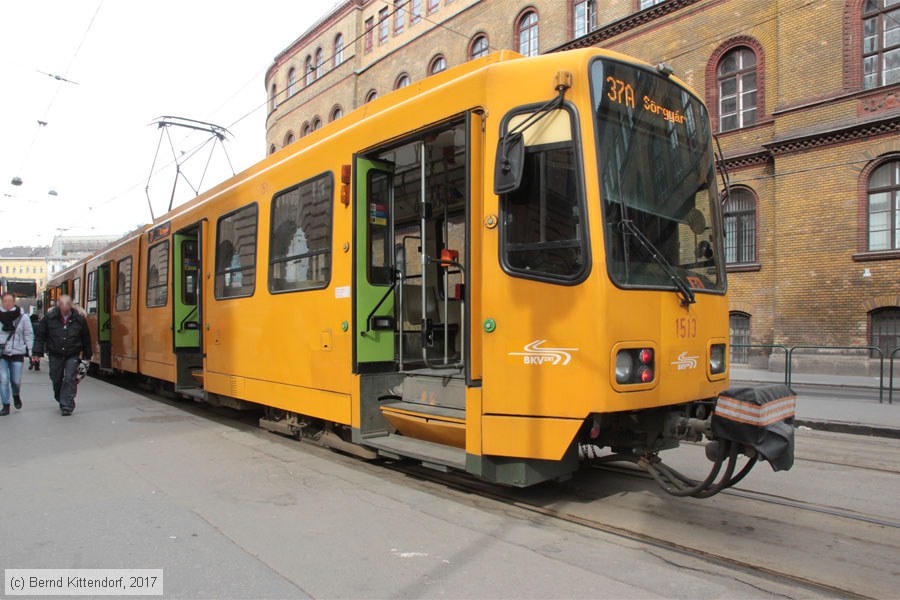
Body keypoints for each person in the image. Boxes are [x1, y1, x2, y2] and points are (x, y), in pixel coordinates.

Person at [31, 295, 92, 416]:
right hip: (55, 354)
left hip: (72, 354)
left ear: (71, 305)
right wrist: (36, 353)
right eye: (62, 304)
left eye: (67, 304)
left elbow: (86, 338)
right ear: (58, 305)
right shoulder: (49, 318)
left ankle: (67, 405)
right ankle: (60, 397)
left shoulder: (79, 320)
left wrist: (87, 355)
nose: (64, 306)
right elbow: (40, 336)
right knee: (56, 378)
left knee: (69, 378)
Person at [0, 293, 34, 416]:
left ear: (14, 301)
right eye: (5, 301)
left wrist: (31, 351)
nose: (8, 303)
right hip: (2, 353)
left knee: (15, 381)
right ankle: (5, 405)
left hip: (17, 352)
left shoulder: (23, 317)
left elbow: (28, 334)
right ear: (2, 302)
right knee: (3, 380)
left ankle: (16, 394)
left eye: (10, 301)